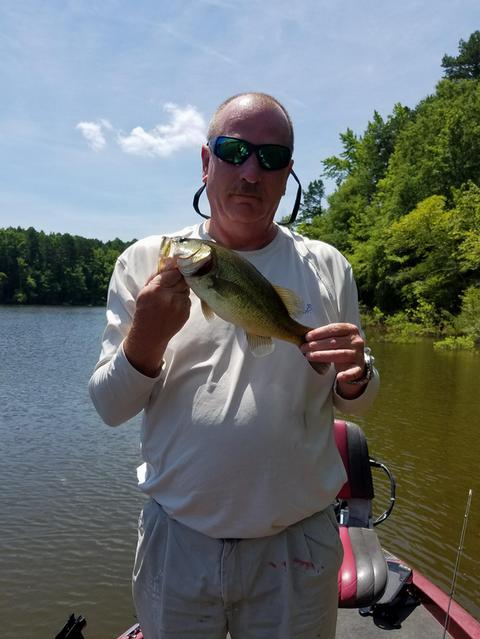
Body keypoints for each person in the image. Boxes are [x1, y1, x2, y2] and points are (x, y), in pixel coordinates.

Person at [89, 92, 379, 639]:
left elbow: (357, 398)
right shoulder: (146, 261)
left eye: (271, 158)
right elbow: (109, 407)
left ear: (287, 174)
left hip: (298, 547)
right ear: (206, 161)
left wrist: (358, 374)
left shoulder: (327, 267)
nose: (250, 172)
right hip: (177, 543)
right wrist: (146, 338)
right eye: (234, 151)